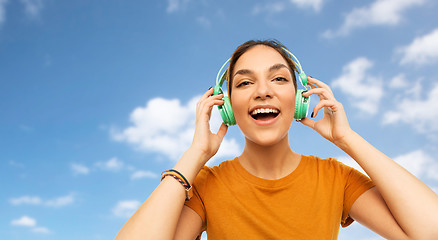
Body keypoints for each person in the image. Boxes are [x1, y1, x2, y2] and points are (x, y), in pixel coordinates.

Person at [115, 40, 438, 240]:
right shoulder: (206, 185)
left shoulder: (335, 178)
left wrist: (347, 139)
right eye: (244, 83)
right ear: (226, 106)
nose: (263, 90)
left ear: (299, 99)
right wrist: (196, 154)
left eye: (279, 78)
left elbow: (430, 231)